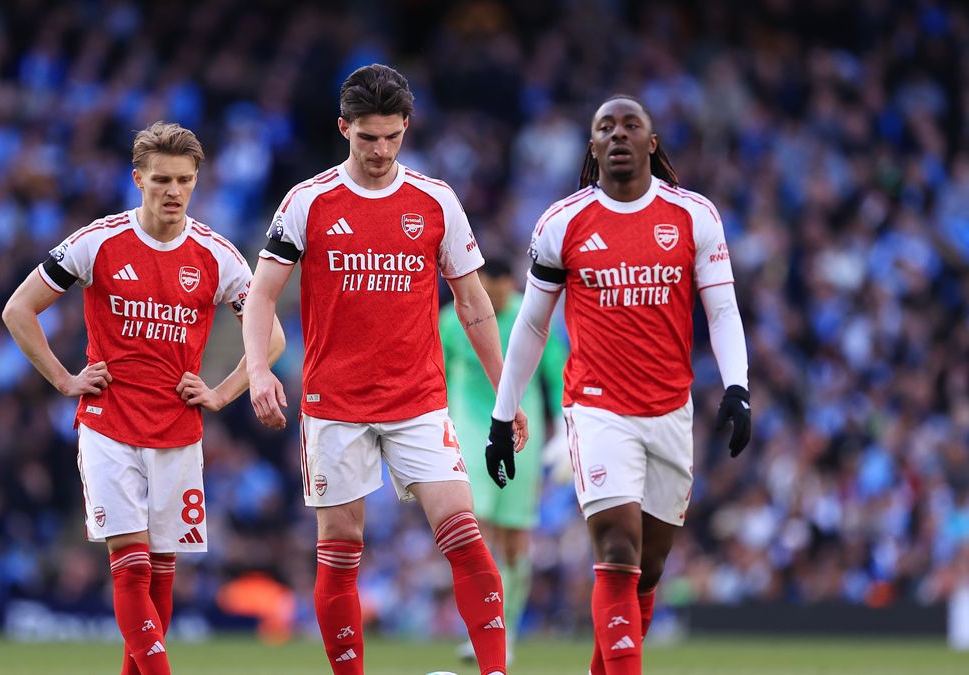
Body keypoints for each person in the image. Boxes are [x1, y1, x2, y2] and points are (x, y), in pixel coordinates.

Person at [241, 64, 528, 675]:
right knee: (341, 550)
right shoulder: (308, 201)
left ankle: (496, 672)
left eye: (392, 136)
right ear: (344, 128)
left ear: (406, 128)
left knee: (465, 535)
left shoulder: (436, 201)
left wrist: (506, 391)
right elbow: (261, 293)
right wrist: (259, 371)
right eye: (368, 137)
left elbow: (474, 304)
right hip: (334, 403)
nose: (380, 150)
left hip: (417, 400)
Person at [2, 121, 285, 675]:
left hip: (178, 431)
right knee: (130, 567)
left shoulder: (217, 255)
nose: (173, 191)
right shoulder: (98, 241)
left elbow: (269, 336)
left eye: (184, 180)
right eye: (161, 180)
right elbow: (18, 309)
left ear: (197, 181)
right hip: (108, 425)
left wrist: (222, 393)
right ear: (138, 179)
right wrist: (64, 380)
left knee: (161, 576)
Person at [486, 95, 751, 675]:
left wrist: (738, 386)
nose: (619, 134)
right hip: (597, 409)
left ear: (652, 142)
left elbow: (723, 310)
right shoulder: (563, 223)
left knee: (648, 570)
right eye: (606, 127)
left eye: (632, 125)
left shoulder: (693, 216)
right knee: (617, 548)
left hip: (670, 411)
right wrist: (503, 415)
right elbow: (532, 325)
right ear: (593, 145)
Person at [440, 257, 566, 666]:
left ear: (511, 285)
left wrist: (565, 428)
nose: (493, 300)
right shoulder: (451, 320)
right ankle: (482, 626)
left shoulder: (530, 318)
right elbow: (434, 373)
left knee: (514, 539)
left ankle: (506, 629)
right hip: (469, 429)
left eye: (500, 292)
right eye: (486, 292)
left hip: (520, 432)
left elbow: (558, 375)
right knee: (476, 527)